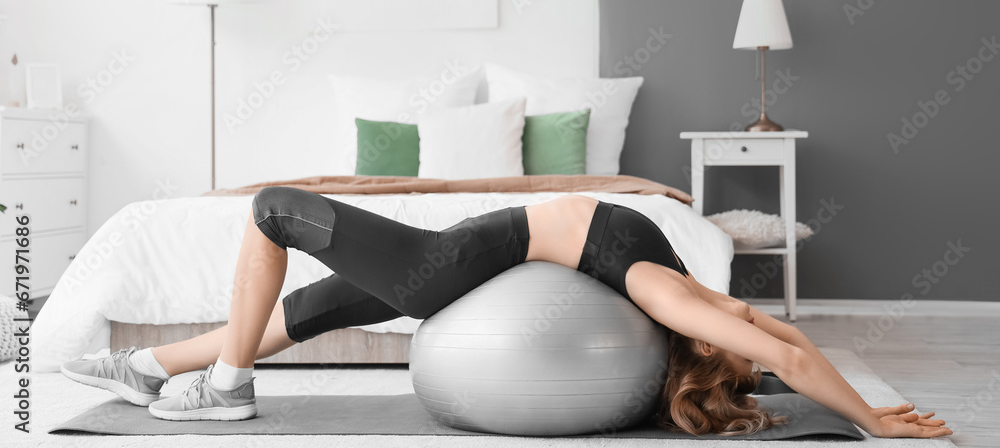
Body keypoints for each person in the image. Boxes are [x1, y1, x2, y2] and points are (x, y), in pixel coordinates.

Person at [61, 188, 951, 438]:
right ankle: (149, 368)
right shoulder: (703, 297)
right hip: (459, 262)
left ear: (707, 353)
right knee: (315, 307)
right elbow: (788, 343)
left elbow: (786, 364)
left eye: (737, 348)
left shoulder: (663, 291)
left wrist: (869, 417)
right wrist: (858, 403)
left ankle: (227, 384)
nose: (750, 333)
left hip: (443, 265)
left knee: (272, 210)